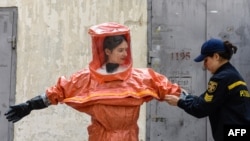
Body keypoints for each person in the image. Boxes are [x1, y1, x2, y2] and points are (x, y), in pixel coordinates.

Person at [5, 22, 181, 141]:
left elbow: (168, 89)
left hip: (129, 137)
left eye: (126, 49)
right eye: (120, 50)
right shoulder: (86, 79)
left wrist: (192, 102)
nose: (125, 54)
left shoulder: (139, 78)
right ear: (106, 51)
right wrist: (29, 105)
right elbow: (58, 92)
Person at [165, 38, 250, 141]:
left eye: (206, 60)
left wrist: (179, 102)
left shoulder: (221, 78)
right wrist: (186, 97)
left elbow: (201, 109)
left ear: (216, 56)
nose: (204, 65)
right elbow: (205, 101)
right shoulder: (232, 75)